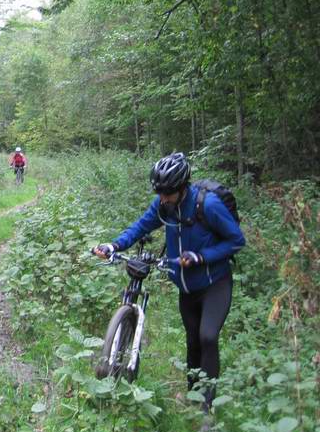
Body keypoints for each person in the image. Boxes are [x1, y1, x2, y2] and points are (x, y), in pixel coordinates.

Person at [92, 152, 245, 418]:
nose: (163, 198)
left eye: (168, 193)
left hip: (215, 283)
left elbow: (236, 240)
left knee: (207, 337)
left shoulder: (206, 206)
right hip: (187, 289)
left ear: (182, 186)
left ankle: (207, 411)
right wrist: (114, 244)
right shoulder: (163, 204)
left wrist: (201, 257)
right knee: (192, 341)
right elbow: (140, 227)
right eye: (159, 192)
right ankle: (192, 397)